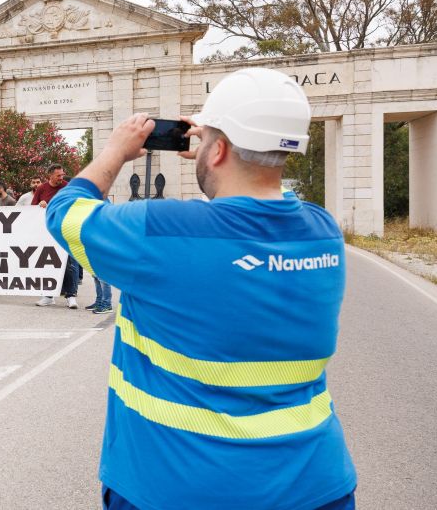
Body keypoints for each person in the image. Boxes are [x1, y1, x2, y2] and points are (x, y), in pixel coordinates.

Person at [46, 69, 356, 510]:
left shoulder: (164, 231)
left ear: (219, 150)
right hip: (315, 485)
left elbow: (65, 212)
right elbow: (253, 210)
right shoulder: (321, 232)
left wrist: (114, 151)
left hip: (176, 488)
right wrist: (223, 140)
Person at [33, 164, 78, 309]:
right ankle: (48, 295)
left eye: (62, 175)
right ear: (50, 176)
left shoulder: (68, 187)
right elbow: (32, 209)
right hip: (46, 232)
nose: (61, 178)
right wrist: (40, 204)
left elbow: (75, 204)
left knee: (68, 264)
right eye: (58, 175)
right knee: (46, 262)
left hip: (64, 230)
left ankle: (71, 296)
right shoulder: (41, 189)